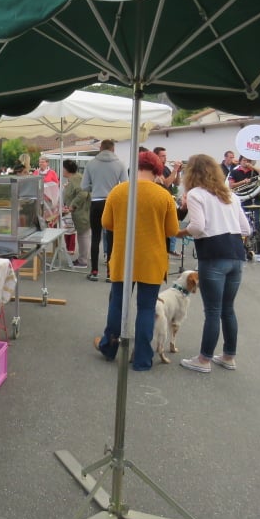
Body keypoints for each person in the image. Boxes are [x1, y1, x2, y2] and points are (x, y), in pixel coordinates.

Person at [93, 151, 179, 371]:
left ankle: (109, 347)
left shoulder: (118, 191)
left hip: (123, 257)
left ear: (134, 167)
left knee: (118, 304)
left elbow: (106, 223)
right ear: (157, 170)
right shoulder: (164, 196)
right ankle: (142, 358)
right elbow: (172, 230)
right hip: (152, 259)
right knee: (147, 308)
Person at [175, 154, 251, 372]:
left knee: (213, 310)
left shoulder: (196, 194)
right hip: (235, 253)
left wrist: (180, 233)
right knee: (228, 309)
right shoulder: (230, 195)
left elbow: (198, 227)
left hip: (213, 254)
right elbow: (246, 229)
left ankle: (204, 359)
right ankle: (228, 356)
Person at [81, 139, 128, 282]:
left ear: (100, 148)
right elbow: (125, 186)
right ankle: (110, 272)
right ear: (113, 149)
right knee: (112, 238)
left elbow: (84, 187)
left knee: (95, 236)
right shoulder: (120, 164)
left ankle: (94, 271)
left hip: (96, 203)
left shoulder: (91, 163)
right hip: (112, 203)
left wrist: (95, 188)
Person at [227, 156, 260, 233]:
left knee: (256, 220)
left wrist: (252, 166)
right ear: (240, 161)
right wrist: (243, 182)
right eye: (244, 160)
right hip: (241, 198)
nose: (246, 162)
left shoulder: (254, 171)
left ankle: (257, 237)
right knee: (242, 219)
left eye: (248, 160)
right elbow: (231, 185)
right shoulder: (234, 171)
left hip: (254, 198)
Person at [154, 147, 183, 254]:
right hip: (162, 199)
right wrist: (174, 170)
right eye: (163, 156)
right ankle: (169, 247)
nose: (165, 158)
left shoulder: (165, 168)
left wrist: (178, 172)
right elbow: (166, 183)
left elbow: (177, 183)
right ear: (156, 156)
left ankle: (171, 247)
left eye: (165, 155)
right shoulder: (156, 169)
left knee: (174, 221)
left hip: (170, 197)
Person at [62, 159, 90, 268]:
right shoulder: (74, 178)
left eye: (63, 168)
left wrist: (72, 205)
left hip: (82, 212)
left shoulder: (75, 179)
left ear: (66, 169)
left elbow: (83, 193)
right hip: (80, 211)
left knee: (83, 235)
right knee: (83, 235)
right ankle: (82, 259)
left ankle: (83, 261)